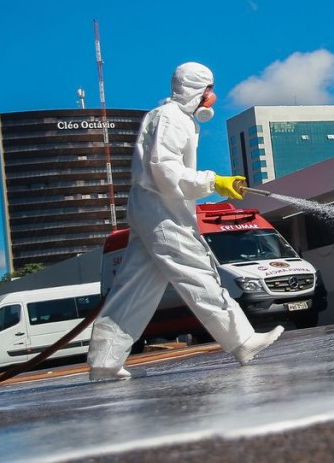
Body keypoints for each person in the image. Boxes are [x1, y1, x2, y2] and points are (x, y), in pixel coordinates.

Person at [87, 62, 283, 381]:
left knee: (137, 286)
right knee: (197, 272)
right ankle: (242, 340)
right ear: (196, 90)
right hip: (160, 209)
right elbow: (165, 173)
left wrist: (211, 183)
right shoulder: (170, 118)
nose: (213, 97)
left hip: (154, 207)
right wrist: (213, 181)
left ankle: (104, 360)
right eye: (209, 89)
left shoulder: (175, 119)